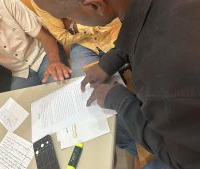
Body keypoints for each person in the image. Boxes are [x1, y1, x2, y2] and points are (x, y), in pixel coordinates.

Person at [33, 0, 200, 168]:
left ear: (95, 5)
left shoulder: (165, 79)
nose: (69, 22)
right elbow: (141, 27)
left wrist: (120, 99)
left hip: (185, 155)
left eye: (67, 16)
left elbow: (180, 157)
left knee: (119, 131)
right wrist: (110, 62)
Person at [31, 0, 121, 77]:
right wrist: (81, 24)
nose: (69, 17)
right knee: (84, 82)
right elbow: (62, 38)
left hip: (116, 33)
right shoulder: (40, 2)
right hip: (84, 44)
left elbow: (109, 18)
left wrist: (73, 27)